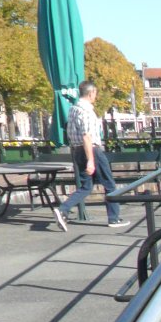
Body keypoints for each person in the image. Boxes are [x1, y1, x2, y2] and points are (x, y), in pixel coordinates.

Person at [53, 80, 129, 231]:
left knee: (86, 186)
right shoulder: (86, 111)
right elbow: (87, 136)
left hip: (76, 150)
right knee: (109, 184)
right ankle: (114, 218)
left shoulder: (73, 109)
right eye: (95, 93)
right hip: (91, 150)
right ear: (91, 93)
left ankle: (63, 209)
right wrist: (91, 161)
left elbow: (71, 133)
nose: (96, 96)